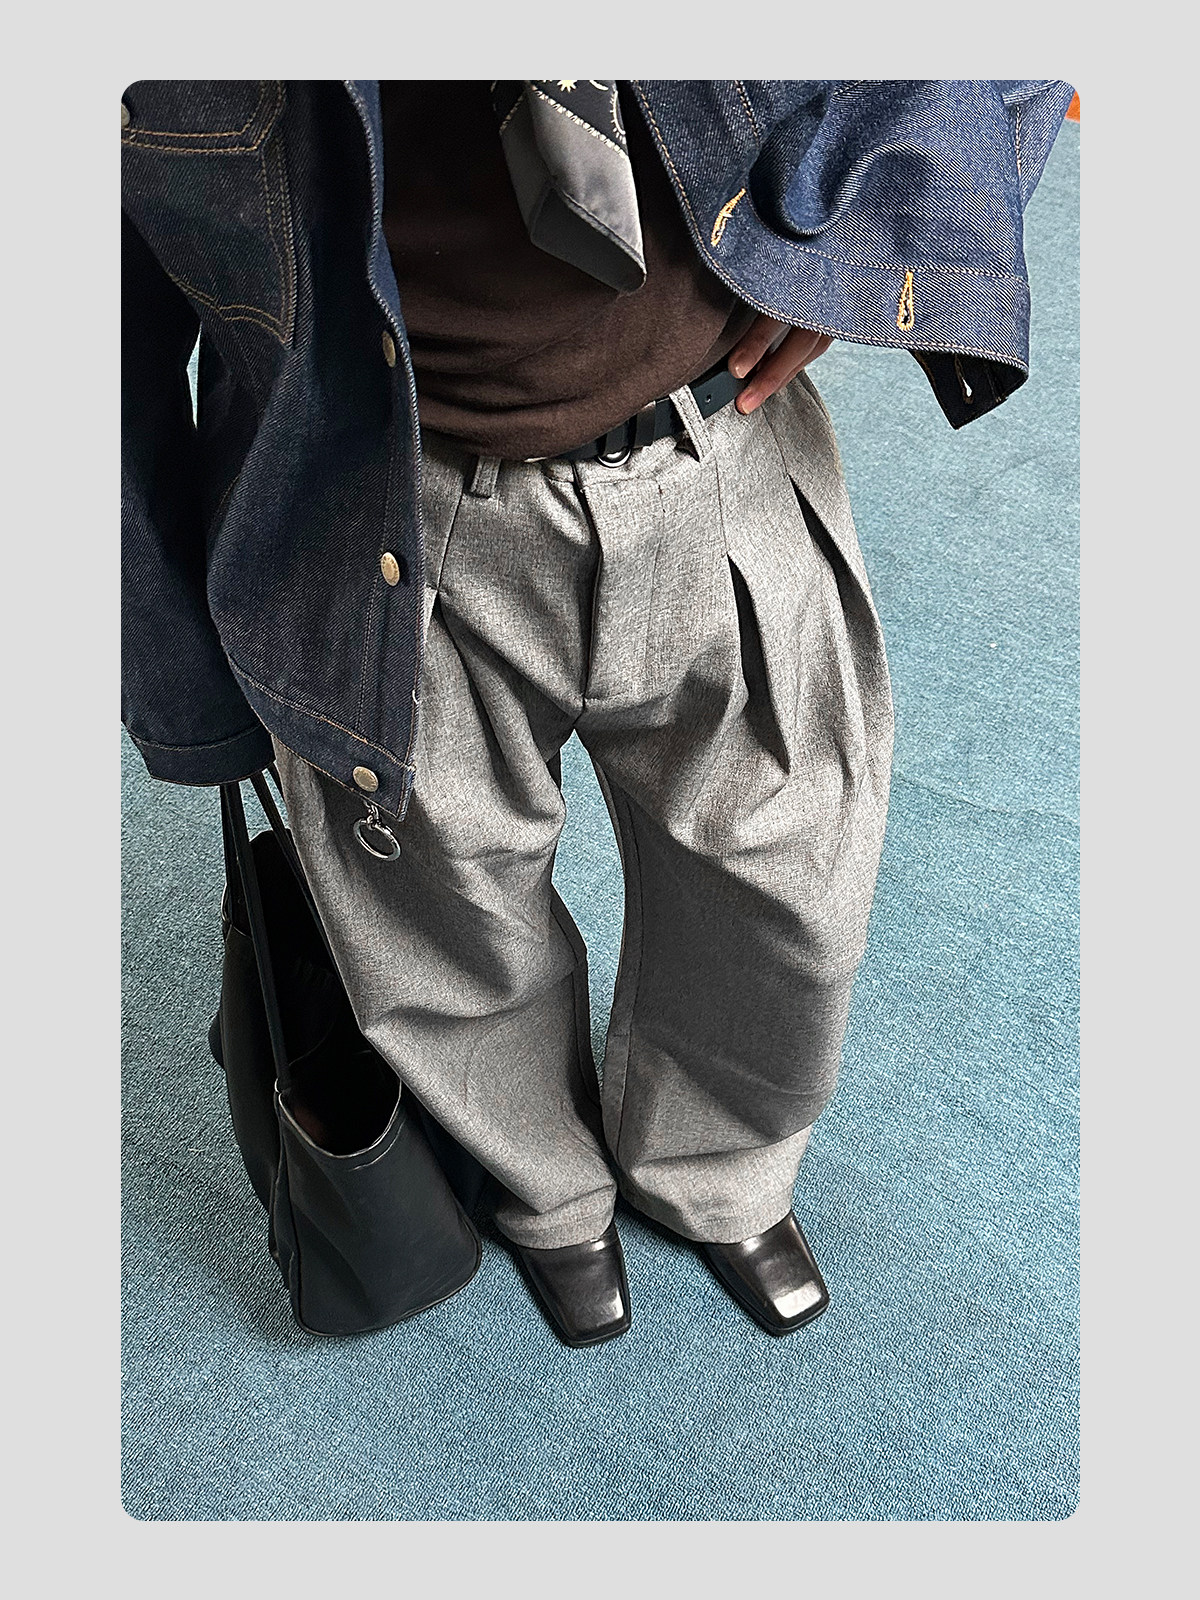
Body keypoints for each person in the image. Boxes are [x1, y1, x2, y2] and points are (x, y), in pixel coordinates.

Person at [121, 78, 1074, 1346]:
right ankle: (543, 1185)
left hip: (715, 439)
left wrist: (883, 226)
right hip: (376, 499)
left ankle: (716, 1167)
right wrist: (184, 684)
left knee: (786, 869)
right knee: (444, 904)